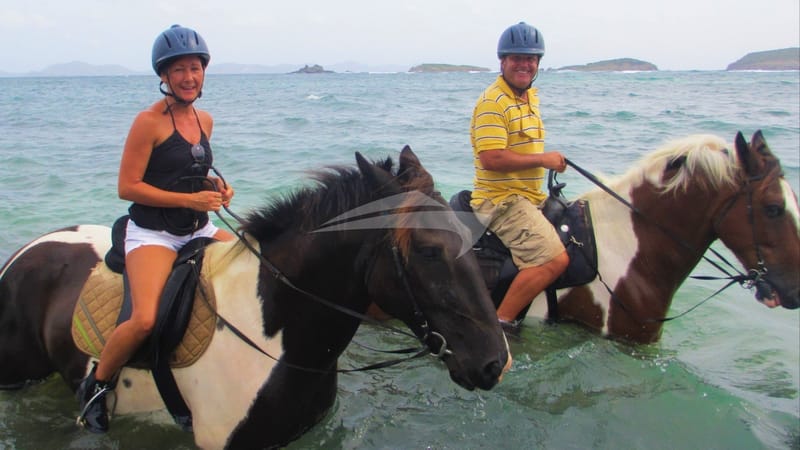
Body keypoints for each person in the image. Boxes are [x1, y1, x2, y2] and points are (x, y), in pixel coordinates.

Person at [76, 24, 235, 433]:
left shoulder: (205, 120)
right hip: (154, 233)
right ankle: (95, 385)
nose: (188, 77)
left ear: (204, 72)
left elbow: (189, 173)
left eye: (195, 68)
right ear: (163, 76)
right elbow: (127, 187)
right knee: (144, 319)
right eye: (178, 69)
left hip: (197, 226)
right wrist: (189, 200)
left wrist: (216, 187)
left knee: (254, 262)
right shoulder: (148, 122)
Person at [470, 22, 569, 330]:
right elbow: (491, 158)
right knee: (555, 260)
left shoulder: (528, 98)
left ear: (538, 63)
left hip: (528, 197)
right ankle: (499, 324)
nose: (524, 64)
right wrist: (544, 159)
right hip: (501, 201)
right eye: (517, 58)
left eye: (531, 59)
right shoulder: (493, 102)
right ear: (503, 61)